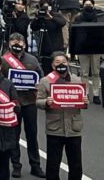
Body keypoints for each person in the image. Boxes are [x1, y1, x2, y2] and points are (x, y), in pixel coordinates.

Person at [35, 52, 85, 180]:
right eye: (57, 62)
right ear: (52, 65)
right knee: (53, 164)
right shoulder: (45, 81)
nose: (61, 64)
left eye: (63, 61)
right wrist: (46, 102)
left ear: (68, 63)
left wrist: (85, 101)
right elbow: (38, 101)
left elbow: (83, 102)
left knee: (76, 164)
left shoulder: (76, 80)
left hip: (74, 128)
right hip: (54, 128)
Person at [2, 34, 45, 179]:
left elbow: (41, 76)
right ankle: (16, 165)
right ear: (9, 44)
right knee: (14, 135)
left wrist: (39, 86)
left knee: (32, 135)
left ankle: (35, 165)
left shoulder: (32, 60)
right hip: (13, 103)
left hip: (29, 102)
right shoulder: (3, 60)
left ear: (25, 44)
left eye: (20, 41)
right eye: (13, 41)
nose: (17, 44)